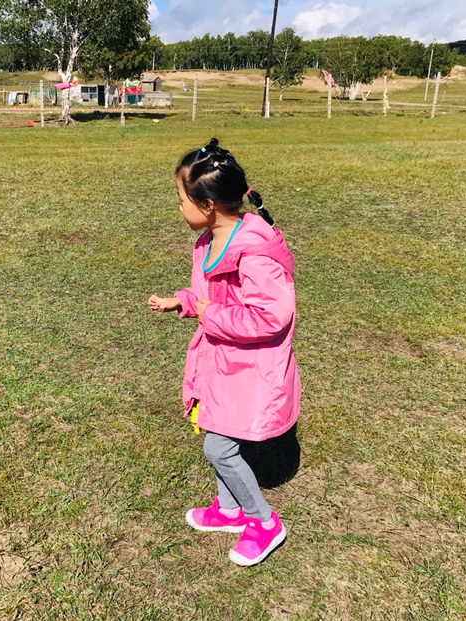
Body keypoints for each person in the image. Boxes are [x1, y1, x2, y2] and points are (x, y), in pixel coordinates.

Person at [148, 138, 301, 567]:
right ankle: (230, 511)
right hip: (223, 362)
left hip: (252, 369)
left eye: (182, 200)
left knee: (218, 447)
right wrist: (182, 301)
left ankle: (263, 522)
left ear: (209, 204)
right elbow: (208, 296)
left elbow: (270, 317)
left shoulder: (253, 254)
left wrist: (207, 313)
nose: (179, 207)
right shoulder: (209, 241)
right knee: (214, 427)